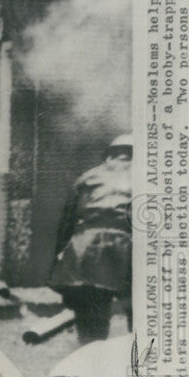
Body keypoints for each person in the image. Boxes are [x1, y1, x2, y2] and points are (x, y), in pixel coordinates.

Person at [48, 133, 133, 346]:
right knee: (140, 311)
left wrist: (58, 258)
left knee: (91, 320)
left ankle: (90, 360)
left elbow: (67, 221)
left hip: (84, 249)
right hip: (126, 248)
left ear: (109, 157)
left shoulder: (88, 177)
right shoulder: (148, 176)